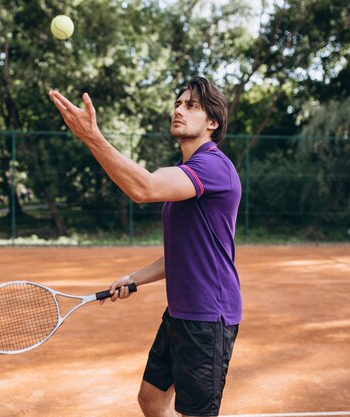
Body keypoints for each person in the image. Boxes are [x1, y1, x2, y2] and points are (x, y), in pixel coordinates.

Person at [49, 76, 242, 417]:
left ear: (213, 122)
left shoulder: (213, 167)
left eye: (191, 106)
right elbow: (182, 255)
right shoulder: (187, 173)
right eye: (178, 104)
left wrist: (91, 136)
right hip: (181, 313)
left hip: (208, 318)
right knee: (151, 400)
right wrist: (134, 277)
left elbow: (144, 188)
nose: (179, 110)